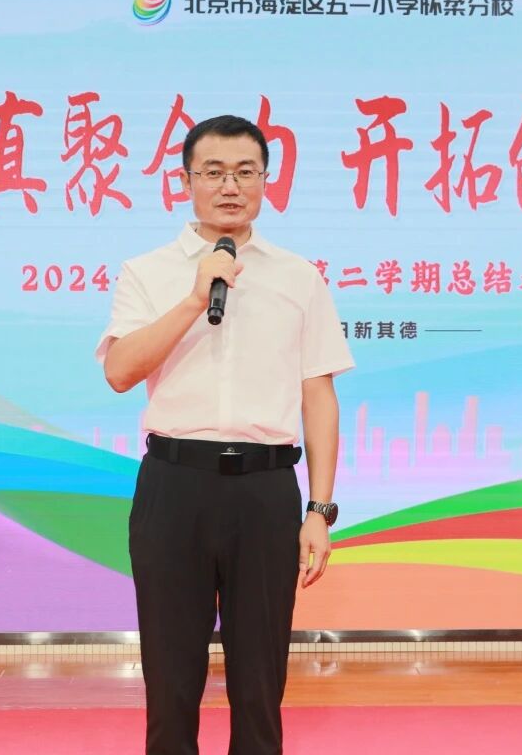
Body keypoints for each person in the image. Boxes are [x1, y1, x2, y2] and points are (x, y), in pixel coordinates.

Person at [95, 115, 353, 755]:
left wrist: (319, 509)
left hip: (265, 490)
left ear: (266, 181)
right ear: (185, 181)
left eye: (245, 172)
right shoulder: (147, 271)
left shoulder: (299, 277)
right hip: (174, 486)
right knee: (171, 676)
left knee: (260, 681)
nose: (230, 186)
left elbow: (318, 395)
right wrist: (194, 296)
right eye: (213, 172)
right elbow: (120, 372)